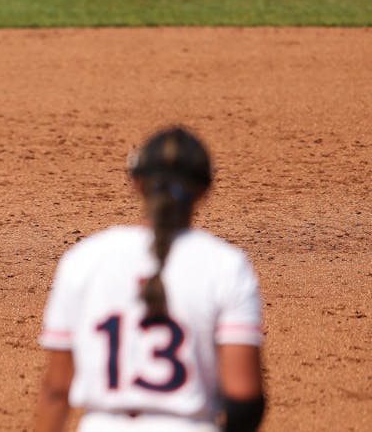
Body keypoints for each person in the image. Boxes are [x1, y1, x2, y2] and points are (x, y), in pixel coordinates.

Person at [35, 127, 266, 431]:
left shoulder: (84, 259)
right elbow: (244, 397)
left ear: (136, 183)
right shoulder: (226, 265)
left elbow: (56, 390)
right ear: (205, 189)